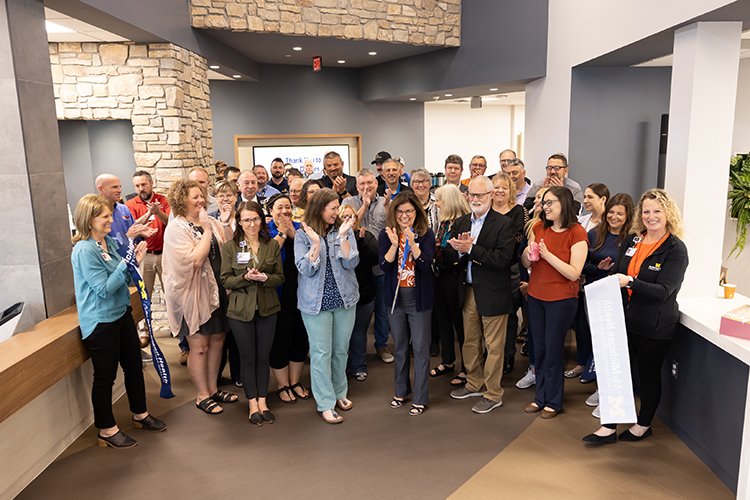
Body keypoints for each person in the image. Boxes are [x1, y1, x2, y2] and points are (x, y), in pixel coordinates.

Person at [583, 189, 688, 444]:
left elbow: (664, 291)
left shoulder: (675, 249)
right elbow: (618, 272)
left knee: (648, 375)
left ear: (668, 214)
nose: (651, 217)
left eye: (657, 211)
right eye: (646, 211)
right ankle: (608, 427)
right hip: (624, 321)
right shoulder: (633, 241)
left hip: (655, 326)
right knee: (616, 372)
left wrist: (630, 282)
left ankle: (643, 424)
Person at [71, 194, 166, 449]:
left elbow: (123, 280)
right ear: (89, 220)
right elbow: (102, 289)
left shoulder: (108, 243)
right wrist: (126, 264)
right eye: (104, 217)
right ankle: (106, 429)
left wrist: (134, 262)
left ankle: (140, 414)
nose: (110, 220)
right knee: (105, 377)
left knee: (134, 366)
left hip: (121, 314)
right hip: (101, 322)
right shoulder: (84, 250)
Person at [162, 179, 237, 415]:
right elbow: (194, 261)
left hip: (216, 291)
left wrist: (224, 221)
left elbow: (227, 244)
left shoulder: (209, 221)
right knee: (200, 346)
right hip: (194, 295)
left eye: (201, 195)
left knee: (217, 342)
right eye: (195, 196)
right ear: (181, 200)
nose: (200, 200)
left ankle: (213, 389)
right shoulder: (177, 228)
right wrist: (206, 230)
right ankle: (202, 394)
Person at [448, 176, 516, 414]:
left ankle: (493, 393)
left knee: (494, 346)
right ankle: (474, 382)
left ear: (491, 195)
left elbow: (503, 259)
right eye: (472, 195)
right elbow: (448, 254)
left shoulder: (504, 224)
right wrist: (458, 252)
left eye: (480, 195)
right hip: (467, 291)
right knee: (469, 341)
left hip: (493, 292)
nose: (475, 199)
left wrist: (471, 249)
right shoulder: (461, 222)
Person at [521, 186, 588, 419]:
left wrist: (548, 255)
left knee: (552, 349)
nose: (545, 207)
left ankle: (554, 400)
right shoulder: (539, 227)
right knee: (538, 349)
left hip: (561, 300)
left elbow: (573, 273)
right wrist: (528, 255)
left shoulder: (577, 233)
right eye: (544, 203)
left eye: (550, 203)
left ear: (564, 205)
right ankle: (540, 397)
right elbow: (527, 263)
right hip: (537, 296)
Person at [295, 188, 359, 424]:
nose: (337, 212)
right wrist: (315, 244)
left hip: (344, 299)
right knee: (322, 353)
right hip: (315, 303)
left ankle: (340, 392)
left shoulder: (343, 229)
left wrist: (343, 236)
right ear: (320, 208)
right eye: (333, 208)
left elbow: (352, 262)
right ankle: (325, 402)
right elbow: (305, 269)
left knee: (341, 349)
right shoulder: (303, 234)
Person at [221, 201, 284, 426]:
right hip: (240, 312)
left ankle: (263, 400)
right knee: (248, 357)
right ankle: (252, 403)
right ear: (239, 221)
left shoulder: (272, 246)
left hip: (268, 308)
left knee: (263, 357)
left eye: (255, 219)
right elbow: (225, 279)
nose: (252, 224)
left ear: (262, 219)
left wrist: (265, 278)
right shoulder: (230, 248)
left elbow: (280, 276)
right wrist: (245, 278)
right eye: (246, 219)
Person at [379, 191, 435, 416]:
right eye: (400, 211)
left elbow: (425, 264)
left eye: (409, 211)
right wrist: (394, 245)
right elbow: (384, 266)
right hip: (395, 300)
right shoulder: (386, 235)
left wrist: (412, 243)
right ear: (394, 213)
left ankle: (421, 397)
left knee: (421, 349)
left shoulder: (426, 234)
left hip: (419, 299)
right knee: (400, 348)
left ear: (416, 212)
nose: (404, 216)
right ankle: (401, 391)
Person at [579, 193, 635, 416]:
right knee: (598, 344)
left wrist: (610, 271)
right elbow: (581, 266)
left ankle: (612, 394)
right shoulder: (594, 234)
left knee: (613, 346)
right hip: (593, 294)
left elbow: (631, 271)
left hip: (618, 297)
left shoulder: (632, 238)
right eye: (611, 212)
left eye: (620, 213)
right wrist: (599, 269)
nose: (614, 216)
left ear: (628, 215)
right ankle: (602, 388)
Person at [341, 169, 393, 364]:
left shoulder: (384, 201)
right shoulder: (348, 203)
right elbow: (349, 225)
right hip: (357, 268)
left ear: (375, 183)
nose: (366, 187)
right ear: (356, 186)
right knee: (358, 315)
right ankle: (354, 354)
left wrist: (388, 205)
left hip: (380, 264)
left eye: (369, 183)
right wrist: (364, 205)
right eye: (362, 184)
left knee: (382, 309)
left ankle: (381, 346)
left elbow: (392, 224)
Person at [266, 194, 311, 403]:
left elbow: (311, 251)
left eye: (287, 207)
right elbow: (269, 257)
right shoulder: (266, 231)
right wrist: (283, 232)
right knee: (280, 340)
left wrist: (294, 232)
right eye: (279, 207)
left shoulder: (300, 227)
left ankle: (295, 381)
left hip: (302, 293)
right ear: (270, 211)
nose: (284, 211)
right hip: (278, 295)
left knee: (300, 338)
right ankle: (282, 385)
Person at [566, 182, 611, 380]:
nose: (585, 200)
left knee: (598, 329)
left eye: (590, 197)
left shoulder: (609, 226)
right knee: (582, 328)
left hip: (601, 285)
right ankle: (582, 363)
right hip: (580, 284)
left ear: (603, 199)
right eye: (584, 196)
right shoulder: (581, 222)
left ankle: (596, 367)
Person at [430, 184, 470, 386]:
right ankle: (447, 361)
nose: (435, 204)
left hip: (455, 278)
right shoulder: (442, 223)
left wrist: (439, 250)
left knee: (460, 324)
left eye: (438, 200)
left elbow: (456, 254)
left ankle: (466, 367)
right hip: (440, 276)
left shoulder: (464, 223)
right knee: (443, 320)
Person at [126, 170, 171, 348]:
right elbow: (132, 228)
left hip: (165, 254)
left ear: (151, 183)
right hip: (145, 256)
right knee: (144, 295)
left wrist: (158, 212)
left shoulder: (164, 200)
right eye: (137, 185)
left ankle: (178, 329)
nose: (140, 188)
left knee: (172, 293)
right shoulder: (130, 204)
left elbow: (170, 222)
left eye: (143, 184)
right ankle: (144, 331)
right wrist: (147, 216)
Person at [492, 172, 529, 375]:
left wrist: (494, 242)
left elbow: (517, 240)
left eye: (504, 187)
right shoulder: (485, 210)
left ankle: (507, 356)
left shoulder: (518, 211)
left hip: (511, 269)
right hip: (488, 270)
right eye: (496, 187)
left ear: (511, 191)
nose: (499, 190)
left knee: (509, 315)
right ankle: (491, 355)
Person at [515, 187, 551, 391]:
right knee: (533, 333)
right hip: (529, 286)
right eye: (538, 198)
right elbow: (523, 258)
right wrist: (525, 283)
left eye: (544, 199)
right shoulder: (531, 226)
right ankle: (534, 369)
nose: (539, 202)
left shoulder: (559, 228)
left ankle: (547, 374)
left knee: (548, 337)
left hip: (546, 289)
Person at [341, 204, 378, 382]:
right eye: (344, 216)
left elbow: (375, 259)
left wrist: (362, 243)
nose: (348, 220)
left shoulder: (366, 236)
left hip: (364, 293)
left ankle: (359, 365)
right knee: (341, 333)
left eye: (351, 217)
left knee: (358, 331)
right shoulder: (333, 237)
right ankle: (341, 367)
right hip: (342, 295)